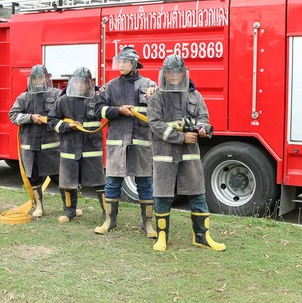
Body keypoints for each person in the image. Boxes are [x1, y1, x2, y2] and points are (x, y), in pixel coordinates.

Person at [147, 54, 226, 252]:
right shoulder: (156, 97)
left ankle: (202, 237)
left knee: (197, 193)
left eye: (177, 72)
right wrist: (181, 137)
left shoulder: (194, 96)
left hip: (190, 154)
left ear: (183, 73)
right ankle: (162, 237)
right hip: (164, 154)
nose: (174, 76)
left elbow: (203, 117)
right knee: (163, 195)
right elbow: (155, 125)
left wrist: (202, 129)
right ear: (164, 74)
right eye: (170, 72)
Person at [94, 47, 157, 238]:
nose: (120, 65)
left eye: (125, 62)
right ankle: (109, 221)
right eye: (119, 61)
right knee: (112, 183)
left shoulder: (149, 84)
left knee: (145, 183)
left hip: (141, 143)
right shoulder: (112, 86)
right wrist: (117, 111)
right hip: (117, 143)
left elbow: (159, 112)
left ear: (135, 63)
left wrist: (156, 95)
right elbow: (97, 110)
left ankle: (148, 224)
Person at [47, 67, 106, 223]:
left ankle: (108, 213)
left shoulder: (97, 99)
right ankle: (69, 212)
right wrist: (67, 127)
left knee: (100, 182)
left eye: (84, 83)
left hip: (92, 149)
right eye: (77, 82)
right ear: (72, 82)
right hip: (69, 149)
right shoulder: (63, 100)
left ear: (89, 84)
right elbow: (51, 121)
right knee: (67, 182)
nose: (80, 85)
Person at [9, 65, 61, 218]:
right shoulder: (24, 97)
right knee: (34, 177)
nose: (38, 81)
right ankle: (39, 206)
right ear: (31, 80)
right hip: (30, 147)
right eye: (35, 79)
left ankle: (69, 207)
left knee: (60, 176)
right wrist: (30, 118)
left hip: (52, 147)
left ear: (47, 78)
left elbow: (70, 103)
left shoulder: (57, 94)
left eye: (41, 78)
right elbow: (13, 116)